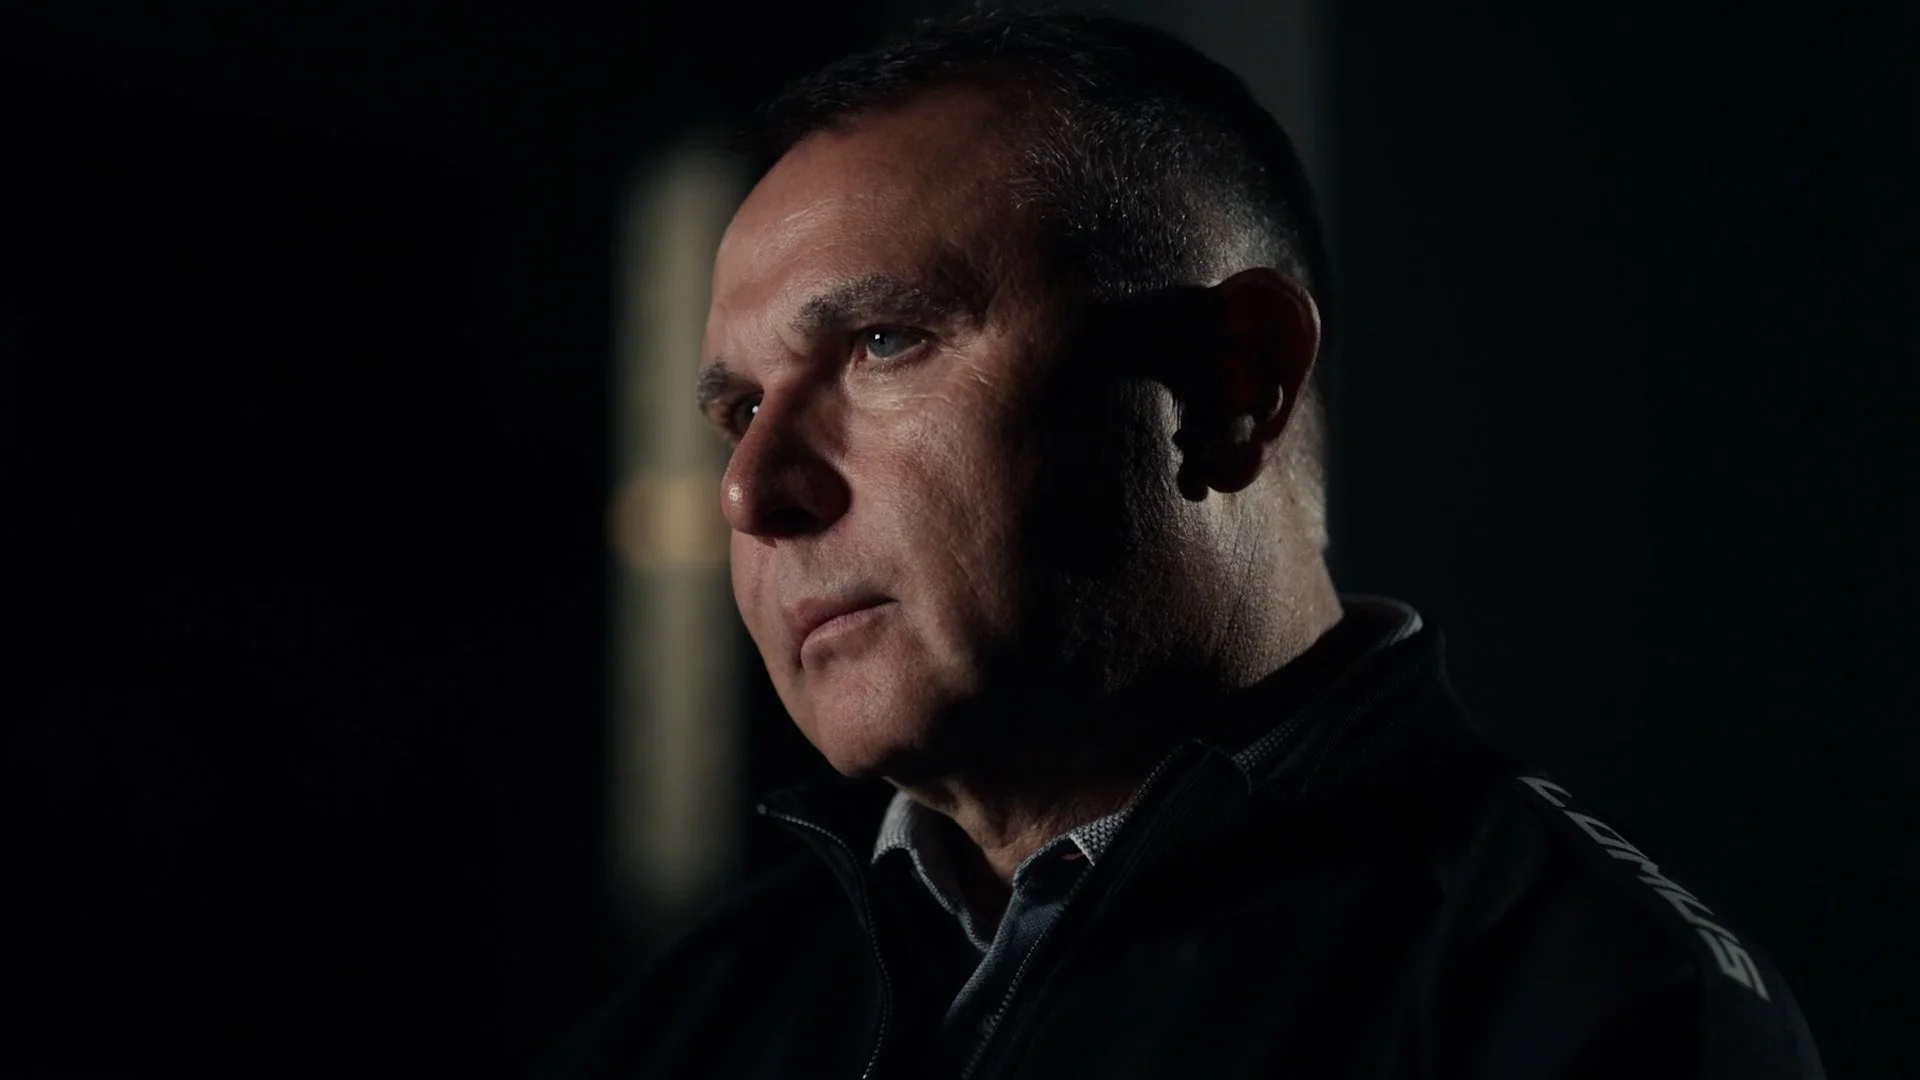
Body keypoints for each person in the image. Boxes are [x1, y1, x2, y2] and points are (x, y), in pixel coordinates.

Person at [544, 8, 1825, 1078]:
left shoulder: (1590, 1008)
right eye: (736, 414)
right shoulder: (690, 1025)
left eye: (884, 342)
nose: (751, 492)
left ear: (1234, 387)